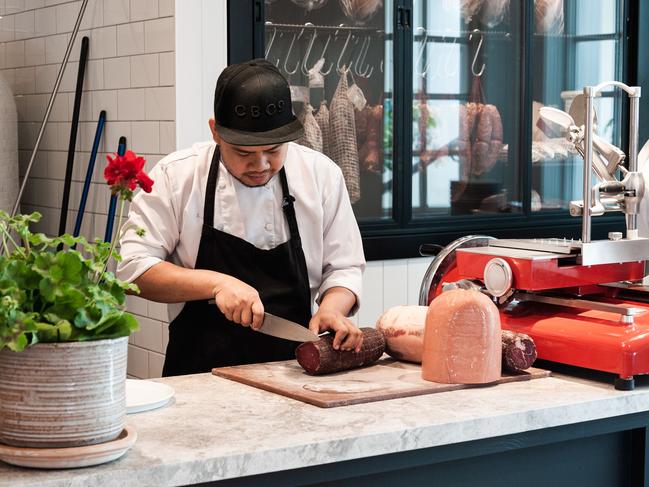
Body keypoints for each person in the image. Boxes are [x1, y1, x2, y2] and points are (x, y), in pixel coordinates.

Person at [116, 59, 366, 376]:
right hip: (198, 377)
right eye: (244, 152)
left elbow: (344, 267)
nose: (260, 164)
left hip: (294, 373)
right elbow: (134, 270)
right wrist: (217, 283)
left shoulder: (321, 176)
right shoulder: (178, 176)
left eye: (274, 150)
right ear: (215, 133)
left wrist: (332, 308)